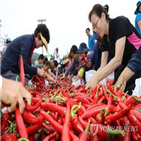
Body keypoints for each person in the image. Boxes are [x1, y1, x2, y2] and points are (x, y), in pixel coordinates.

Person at [86, 4, 141, 95]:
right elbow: (102, 66)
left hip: (137, 64)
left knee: (128, 92)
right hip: (127, 68)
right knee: (115, 90)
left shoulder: (120, 23)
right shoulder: (104, 40)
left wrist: (97, 78)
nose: (95, 30)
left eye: (95, 24)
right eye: (93, 28)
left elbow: (117, 60)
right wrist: (91, 81)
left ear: (103, 16)